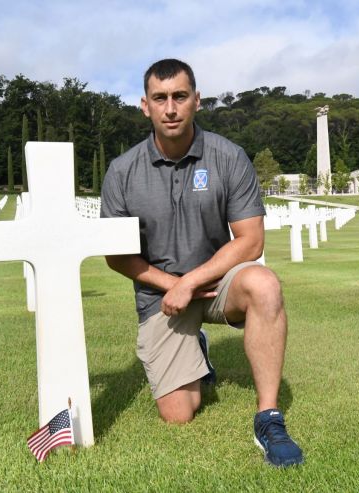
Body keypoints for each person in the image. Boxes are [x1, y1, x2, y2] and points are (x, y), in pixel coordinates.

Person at [100, 58, 303, 467]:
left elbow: (251, 240)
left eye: (179, 96)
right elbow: (117, 256)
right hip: (162, 296)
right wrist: (172, 285)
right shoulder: (122, 171)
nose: (170, 108)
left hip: (216, 284)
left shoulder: (228, 157)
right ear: (145, 106)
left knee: (264, 284)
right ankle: (198, 350)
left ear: (197, 100)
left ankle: (269, 417)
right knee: (178, 413)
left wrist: (191, 281)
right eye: (160, 98)